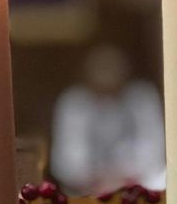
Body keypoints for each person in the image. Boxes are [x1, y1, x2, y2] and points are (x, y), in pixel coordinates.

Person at [51, 45, 166, 195]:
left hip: (139, 182)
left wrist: (126, 177)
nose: (107, 85)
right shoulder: (73, 101)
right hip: (87, 188)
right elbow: (67, 158)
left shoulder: (142, 97)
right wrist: (97, 179)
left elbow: (154, 148)